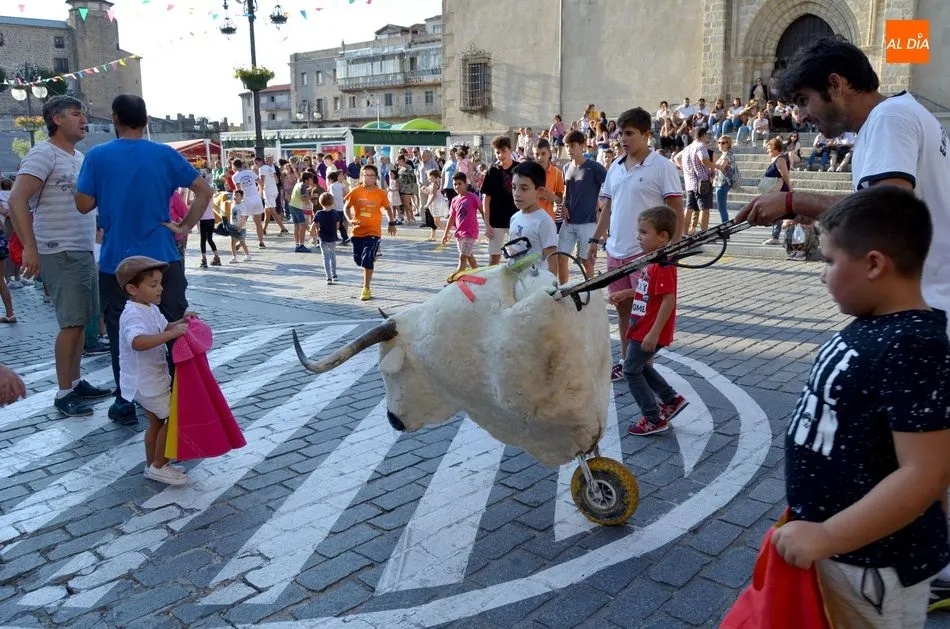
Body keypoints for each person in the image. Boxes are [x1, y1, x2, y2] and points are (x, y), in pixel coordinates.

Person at [734, 37, 950, 609]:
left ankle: (917, 566)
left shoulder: (887, 121)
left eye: (805, 101)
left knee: (910, 451)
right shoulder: (903, 115)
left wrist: (795, 203)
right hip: (928, 299)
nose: (803, 117)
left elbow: (884, 218)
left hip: (928, 301)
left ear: (838, 84)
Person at [772, 187, 950, 628]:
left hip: (871, 565)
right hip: (838, 550)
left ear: (874, 264)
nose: (822, 275)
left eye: (830, 261)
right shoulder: (873, 324)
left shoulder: (913, 346)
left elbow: (926, 472)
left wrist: (828, 534)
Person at [75, 94, 213, 425]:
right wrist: (184, 227)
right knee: (175, 325)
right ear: (146, 120)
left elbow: (83, 204)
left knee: (121, 332)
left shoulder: (98, 156)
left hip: (118, 262)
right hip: (162, 256)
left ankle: (125, 403)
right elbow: (205, 191)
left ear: (115, 119)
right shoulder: (164, 154)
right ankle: (181, 396)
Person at [9, 95, 113, 417]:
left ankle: (76, 381)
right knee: (70, 323)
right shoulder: (44, 153)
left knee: (81, 321)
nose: (84, 120)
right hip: (58, 249)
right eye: (76, 114)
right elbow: (16, 200)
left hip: (82, 249)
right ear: (56, 119)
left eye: (84, 114)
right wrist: (30, 246)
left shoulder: (78, 157)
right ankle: (64, 391)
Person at [586, 107, 684, 382]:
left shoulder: (662, 166)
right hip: (615, 250)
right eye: (620, 134)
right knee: (622, 309)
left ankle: (643, 370)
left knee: (645, 314)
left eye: (629, 134)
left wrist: (673, 249)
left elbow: (676, 209)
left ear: (646, 134)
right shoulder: (615, 167)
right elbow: (608, 207)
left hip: (646, 255)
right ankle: (625, 362)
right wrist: (595, 239)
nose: (623, 139)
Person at [606, 206, 688, 436]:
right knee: (638, 366)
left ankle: (653, 418)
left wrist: (654, 333)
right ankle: (671, 399)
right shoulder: (653, 261)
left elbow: (668, 300)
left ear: (662, 237)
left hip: (650, 329)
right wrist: (627, 293)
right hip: (642, 326)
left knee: (631, 370)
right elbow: (648, 291)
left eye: (644, 232)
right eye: (639, 232)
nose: (638, 237)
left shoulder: (663, 265)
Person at [115, 255, 193, 486]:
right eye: (153, 285)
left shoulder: (149, 308)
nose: (160, 288)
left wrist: (182, 321)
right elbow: (137, 341)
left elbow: (165, 326)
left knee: (157, 423)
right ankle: (160, 465)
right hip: (145, 380)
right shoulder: (132, 314)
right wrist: (170, 335)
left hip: (153, 378)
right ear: (132, 289)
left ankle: (153, 464)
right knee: (173, 418)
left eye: (160, 283)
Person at [559, 130, 607, 284]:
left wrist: (602, 207)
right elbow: (566, 191)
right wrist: (564, 204)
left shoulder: (595, 167)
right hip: (568, 222)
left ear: (582, 146)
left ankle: (590, 291)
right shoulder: (566, 167)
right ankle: (563, 290)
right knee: (561, 257)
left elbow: (611, 186)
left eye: (572, 146)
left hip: (587, 223)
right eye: (567, 146)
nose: (569, 149)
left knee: (587, 261)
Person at [344, 164, 396, 301]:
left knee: (367, 259)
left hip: (373, 231)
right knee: (358, 260)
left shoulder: (380, 193)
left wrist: (391, 223)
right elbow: (346, 207)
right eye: (366, 175)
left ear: (376, 177)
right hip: (357, 232)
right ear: (361, 177)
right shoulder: (355, 191)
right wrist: (350, 219)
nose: (368, 178)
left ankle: (366, 288)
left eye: (371, 175)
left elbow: (388, 209)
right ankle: (371, 256)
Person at [508, 161, 558, 275]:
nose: (517, 193)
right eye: (514, 187)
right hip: (516, 280)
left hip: (536, 283)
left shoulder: (544, 222)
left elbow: (552, 261)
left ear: (539, 192)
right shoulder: (514, 218)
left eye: (524, 188)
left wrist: (550, 283)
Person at [482, 135, 519, 266]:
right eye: (498, 152)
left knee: (518, 256)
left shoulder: (519, 169)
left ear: (510, 150)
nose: (501, 155)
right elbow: (486, 199)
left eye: (504, 151)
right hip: (496, 221)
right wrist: (487, 224)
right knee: (494, 257)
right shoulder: (492, 171)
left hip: (515, 220)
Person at [674, 127, 716, 235]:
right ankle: (703, 233)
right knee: (704, 209)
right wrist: (715, 166)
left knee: (689, 208)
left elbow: (676, 158)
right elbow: (704, 160)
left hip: (690, 183)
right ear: (703, 135)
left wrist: (682, 167)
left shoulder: (688, 148)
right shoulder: (701, 146)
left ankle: (684, 233)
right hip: (702, 182)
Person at [442, 172, 483, 276]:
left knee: (462, 256)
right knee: (469, 255)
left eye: (459, 184)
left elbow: (483, 211)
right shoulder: (454, 200)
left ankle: (457, 277)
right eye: (455, 184)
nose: (457, 186)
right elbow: (451, 218)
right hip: (459, 233)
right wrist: (445, 234)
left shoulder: (472, 197)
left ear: (465, 184)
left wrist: (488, 225)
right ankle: (478, 274)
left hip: (470, 232)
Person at [230, 158, 266, 249]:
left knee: (241, 223)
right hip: (257, 200)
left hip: (246, 201)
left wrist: (236, 201)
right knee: (258, 223)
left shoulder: (235, 176)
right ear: (241, 165)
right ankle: (261, 242)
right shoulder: (250, 172)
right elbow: (261, 182)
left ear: (234, 167)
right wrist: (259, 193)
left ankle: (239, 243)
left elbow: (239, 190)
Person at [258, 156, 288, 237]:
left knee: (273, 211)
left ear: (263, 161)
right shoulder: (272, 168)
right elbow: (276, 179)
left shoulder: (262, 168)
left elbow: (262, 181)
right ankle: (264, 229)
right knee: (267, 212)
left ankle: (283, 229)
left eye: (257, 163)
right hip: (274, 191)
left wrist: (260, 192)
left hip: (268, 192)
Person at [314, 192, 340, 284]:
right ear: (332, 202)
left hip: (322, 238)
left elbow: (315, 225)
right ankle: (334, 274)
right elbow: (337, 226)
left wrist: (315, 232)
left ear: (321, 202)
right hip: (332, 237)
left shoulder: (318, 213)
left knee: (325, 258)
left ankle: (328, 277)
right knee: (333, 256)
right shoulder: (335, 213)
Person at [713, 135, 738, 225]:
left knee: (722, 208)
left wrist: (708, 164)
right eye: (719, 142)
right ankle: (725, 227)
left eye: (723, 143)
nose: (720, 144)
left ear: (728, 144)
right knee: (721, 207)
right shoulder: (724, 154)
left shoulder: (727, 154)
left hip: (723, 183)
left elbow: (721, 167)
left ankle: (726, 228)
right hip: (720, 183)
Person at [289, 171, 316, 254]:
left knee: (296, 226)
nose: (312, 180)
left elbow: (300, 193)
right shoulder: (304, 186)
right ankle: (301, 245)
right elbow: (303, 198)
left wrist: (308, 191)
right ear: (307, 180)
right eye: (311, 179)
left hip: (292, 205)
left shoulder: (299, 184)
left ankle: (297, 245)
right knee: (303, 226)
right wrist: (312, 196)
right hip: (298, 207)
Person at [423, 169, 448, 242]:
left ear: (433, 177)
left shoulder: (434, 184)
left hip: (436, 203)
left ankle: (447, 233)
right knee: (433, 220)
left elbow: (434, 195)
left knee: (437, 221)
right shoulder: (432, 184)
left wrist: (428, 204)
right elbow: (430, 193)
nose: (428, 178)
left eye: (429, 177)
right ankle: (432, 236)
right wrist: (424, 189)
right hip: (434, 203)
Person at [197, 191, 220, 268]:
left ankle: (204, 260)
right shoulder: (210, 194)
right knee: (210, 239)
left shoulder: (200, 196)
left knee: (203, 240)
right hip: (211, 218)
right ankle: (217, 258)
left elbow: (189, 203)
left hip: (203, 219)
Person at [228, 190, 252, 263]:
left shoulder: (242, 206)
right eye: (234, 195)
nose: (235, 197)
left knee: (242, 242)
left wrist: (240, 227)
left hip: (241, 228)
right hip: (233, 227)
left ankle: (247, 255)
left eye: (237, 195)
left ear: (241, 197)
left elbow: (243, 218)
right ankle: (234, 257)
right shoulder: (232, 204)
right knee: (232, 242)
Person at [327, 170, 350, 244]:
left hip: (335, 207)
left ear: (331, 179)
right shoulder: (341, 185)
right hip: (341, 207)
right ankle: (342, 237)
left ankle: (343, 237)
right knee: (339, 223)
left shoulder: (332, 186)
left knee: (336, 224)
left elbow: (332, 197)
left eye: (328, 180)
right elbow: (345, 194)